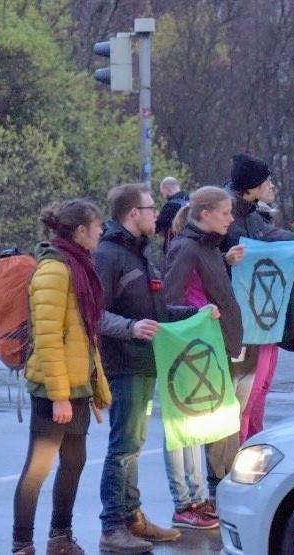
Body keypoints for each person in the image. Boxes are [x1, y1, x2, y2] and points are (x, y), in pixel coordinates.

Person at [95, 184, 219, 550]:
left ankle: (132, 518)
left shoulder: (139, 254)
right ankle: (113, 526)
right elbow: (94, 314)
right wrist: (130, 328)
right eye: (151, 208)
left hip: (147, 363)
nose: (157, 214)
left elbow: (158, 312)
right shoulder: (109, 256)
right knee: (123, 447)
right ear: (134, 213)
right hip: (124, 364)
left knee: (133, 443)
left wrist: (195, 314)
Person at [11, 200, 112, 555]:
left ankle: (60, 537)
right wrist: (59, 395)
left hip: (77, 386)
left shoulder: (79, 266)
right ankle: (22, 543)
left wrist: (91, 385)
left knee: (74, 462)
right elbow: (50, 338)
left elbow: (84, 334)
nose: (102, 232)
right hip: (54, 389)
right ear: (81, 230)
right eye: (98, 227)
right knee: (38, 468)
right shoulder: (54, 270)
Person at [163, 186, 246, 527]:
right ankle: (186, 502)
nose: (231, 218)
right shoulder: (186, 247)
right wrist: (201, 315)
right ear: (206, 213)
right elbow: (171, 302)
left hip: (212, 348)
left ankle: (199, 498)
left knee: (202, 427)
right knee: (185, 428)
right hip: (192, 351)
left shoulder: (209, 247)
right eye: (226, 212)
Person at [222, 153, 294, 441]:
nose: (272, 185)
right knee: (246, 393)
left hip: (262, 317)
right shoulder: (232, 216)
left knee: (261, 388)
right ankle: (238, 454)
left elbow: (282, 242)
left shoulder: (251, 213)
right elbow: (274, 244)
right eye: (267, 181)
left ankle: (253, 443)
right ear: (252, 187)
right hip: (244, 319)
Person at [155, 177, 188, 254]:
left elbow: (157, 227)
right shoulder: (191, 202)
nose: (163, 196)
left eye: (162, 192)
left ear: (167, 189)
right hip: (191, 247)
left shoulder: (170, 205)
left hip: (174, 248)